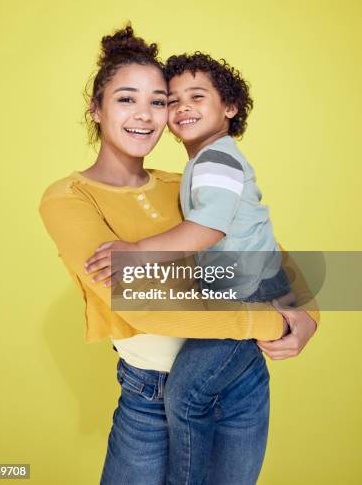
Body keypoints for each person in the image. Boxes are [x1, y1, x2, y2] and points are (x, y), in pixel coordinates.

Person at [39, 25, 318, 485]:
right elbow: (140, 300)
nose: (146, 115)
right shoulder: (69, 198)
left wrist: (306, 313)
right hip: (151, 396)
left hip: (238, 381)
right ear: (96, 109)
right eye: (127, 99)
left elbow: (269, 251)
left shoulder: (185, 179)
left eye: (157, 100)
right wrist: (273, 321)